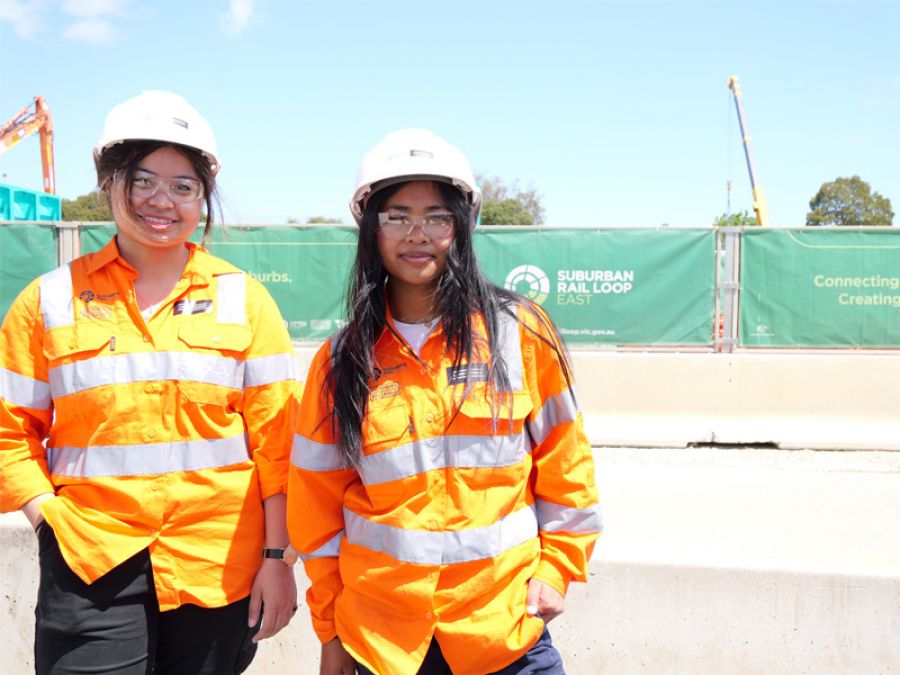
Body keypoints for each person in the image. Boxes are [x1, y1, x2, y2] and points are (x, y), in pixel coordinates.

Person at [0, 90, 300, 674]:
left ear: (202, 197)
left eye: (183, 186)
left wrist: (277, 557)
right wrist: (47, 517)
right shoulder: (49, 301)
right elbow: (9, 432)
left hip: (219, 565)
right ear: (108, 183)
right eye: (142, 181)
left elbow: (280, 446)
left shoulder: (244, 300)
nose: (162, 201)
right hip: (89, 561)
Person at [288, 129, 602, 675]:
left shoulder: (520, 332)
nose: (418, 234)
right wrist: (330, 629)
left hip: (504, 631)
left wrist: (557, 570)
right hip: (383, 639)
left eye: (437, 216)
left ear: (463, 225)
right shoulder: (340, 361)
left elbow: (566, 462)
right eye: (396, 216)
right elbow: (316, 510)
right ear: (370, 229)